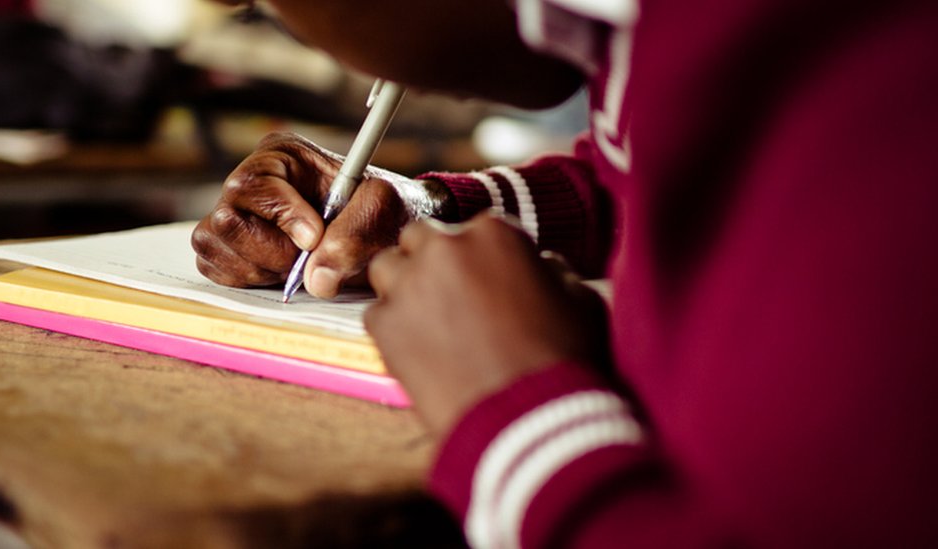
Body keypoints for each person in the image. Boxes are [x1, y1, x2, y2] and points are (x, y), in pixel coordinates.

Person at [192, 0, 938, 547]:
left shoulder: (882, 94)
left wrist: (519, 416)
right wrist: (430, 214)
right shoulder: (659, 39)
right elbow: (645, 185)